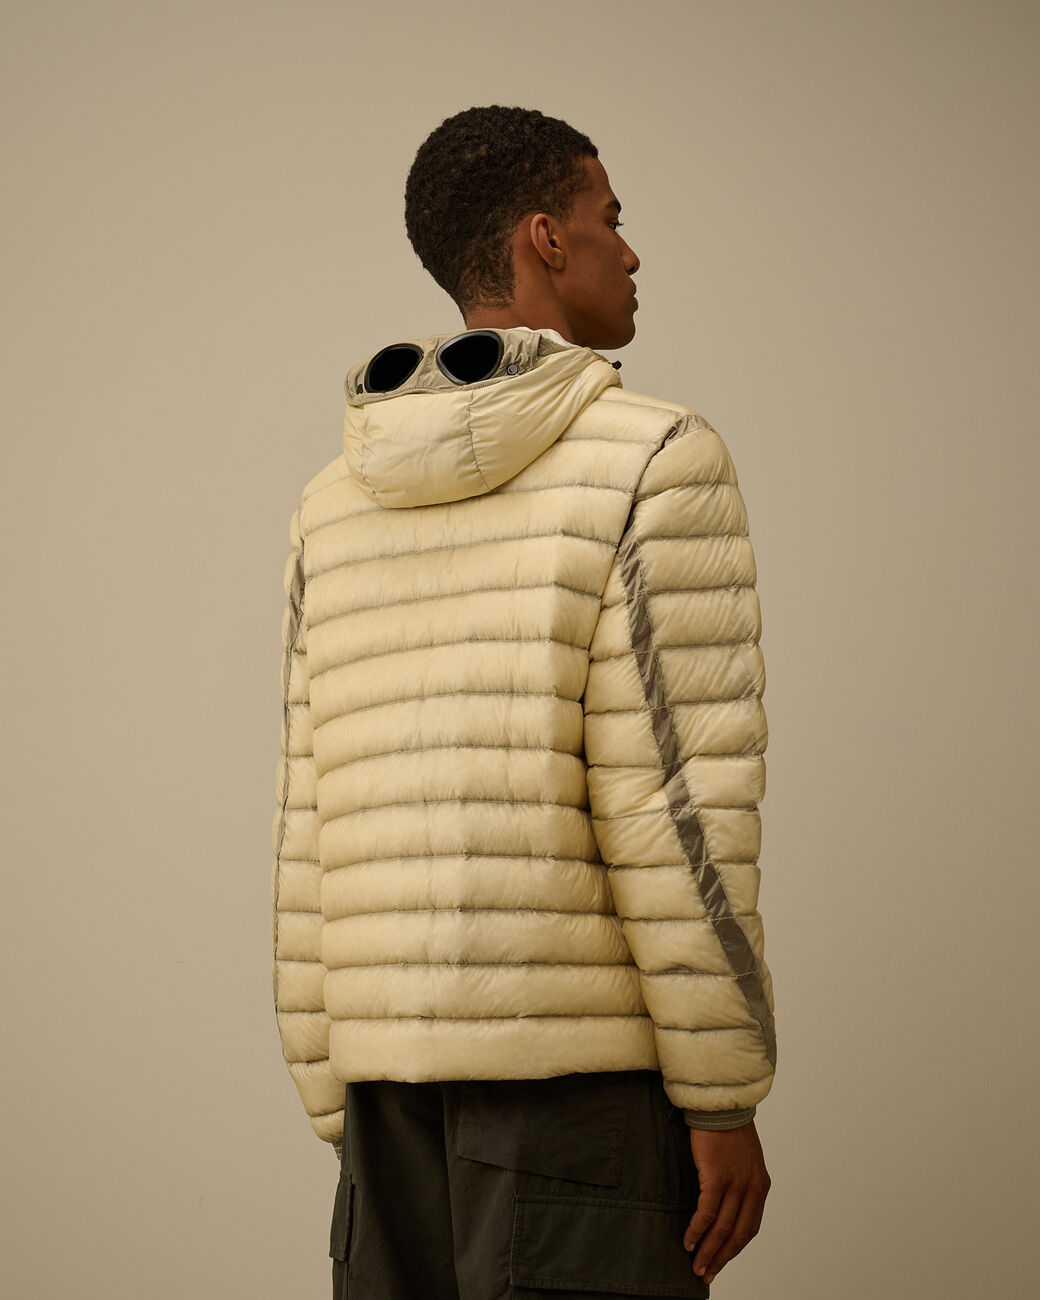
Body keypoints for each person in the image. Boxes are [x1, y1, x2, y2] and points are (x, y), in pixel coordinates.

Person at [270, 104, 776, 1299]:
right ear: (546, 238)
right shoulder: (654, 457)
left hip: (382, 1099)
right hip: (580, 1103)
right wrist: (721, 1094)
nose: (629, 251)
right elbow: (673, 811)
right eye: (610, 218)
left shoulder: (332, 501)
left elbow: (306, 823)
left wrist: (337, 1094)